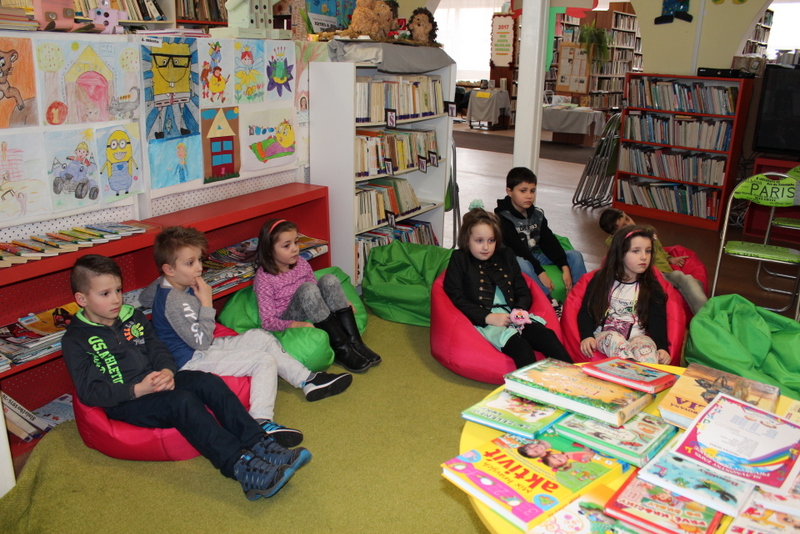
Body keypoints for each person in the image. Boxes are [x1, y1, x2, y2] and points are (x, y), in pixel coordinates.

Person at [62, 255, 311, 501]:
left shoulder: (132, 317)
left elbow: (158, 349)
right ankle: (240, 466)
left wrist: (167, 371)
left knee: (208, 381)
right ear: (82, 299)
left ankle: (259, 442)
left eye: (118, 290)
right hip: (127, 400)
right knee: (182, 402)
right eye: (105, 294)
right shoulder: (75, 340)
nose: (116, 299)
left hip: (157, 381)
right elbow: (89, 391)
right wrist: (138, 389)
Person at [140, 226, 352, 449]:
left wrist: (169, 276)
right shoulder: (176, 302)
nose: (199, 268)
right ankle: (261, 422)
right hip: (191, 359)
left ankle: (307, 380)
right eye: (190, 263)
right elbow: (201, 342)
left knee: (260, 337)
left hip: (201, 345)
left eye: (199, 260)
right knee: (263, 361)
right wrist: (206, 303)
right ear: (169, 269)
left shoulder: (168, 282)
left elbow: (145, 298)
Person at [443, 207, 572, 369]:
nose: (486, 247)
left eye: (491, 240)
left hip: (514, 315)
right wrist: (487, 317)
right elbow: (456, 297)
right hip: (486, 321)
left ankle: (575, 377)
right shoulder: (460, 258)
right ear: (466, 239)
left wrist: (519, 310)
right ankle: (527, 384)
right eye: (479, 241)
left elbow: (522, 289)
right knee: (522, 348)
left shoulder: (506, 255)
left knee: (547, 337)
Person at [253, 219, 381, 373]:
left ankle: (355, 343)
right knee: (308, 289)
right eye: (286, 245)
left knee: (329, 279)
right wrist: (294, 324)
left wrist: (340, 301)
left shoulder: (300, 263)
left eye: (296, 242)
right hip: (288, 315)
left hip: (309, 303)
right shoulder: (264, 278)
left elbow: (317, 289)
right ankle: (341, 349)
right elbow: (267, 321)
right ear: (269, 250)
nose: (294, 249)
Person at [578, 225, 671, 365]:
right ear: (621, 254)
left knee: (647, 349)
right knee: (615, 339)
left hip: (637, 337)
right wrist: (586, 336)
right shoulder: (602, 280)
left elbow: (657, 319)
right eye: (636, 251)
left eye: (648, 251)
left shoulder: (651, 285)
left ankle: (645, 376)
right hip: (605, 335)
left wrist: (662, 347)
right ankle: (631, 372)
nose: (644, 257)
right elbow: (586, 311)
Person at [495, 167, 587, 304]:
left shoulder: (537, 214)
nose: (529, 196)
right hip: (515, 257)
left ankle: (582, 297)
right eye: (523, 191)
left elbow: (549, 241)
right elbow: (518, 249)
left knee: (575, 255)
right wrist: (540, 272)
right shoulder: (502, 217)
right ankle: (548, 300)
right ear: (509, 191)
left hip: (535, 254)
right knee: (523, 264)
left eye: (532, 191)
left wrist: (564, 266)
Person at [599, 208, 708, 314]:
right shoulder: (617, 242)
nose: (629, 224)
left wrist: (670, 258)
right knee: (666, 283)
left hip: (666, 273)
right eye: (623, 226)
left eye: (627, 218)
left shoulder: (645, 232)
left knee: (687, 279)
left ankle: (705, 314)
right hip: (647, 276)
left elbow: (659, 249)